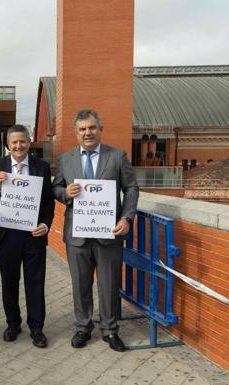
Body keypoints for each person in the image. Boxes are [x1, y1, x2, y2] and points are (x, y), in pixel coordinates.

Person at [52, 109, 139, 352]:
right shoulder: (66, 159)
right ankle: (83, 327)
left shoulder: (117, 156)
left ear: (100, 129)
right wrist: (64, 193)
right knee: (80, 284)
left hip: (109, 233)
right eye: (82, 129)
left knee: (109, 284)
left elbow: (131, 188)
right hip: (77, 236)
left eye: (91, 128)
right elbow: (56, 188)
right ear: (76, 133)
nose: (87, 132)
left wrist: (127, 218)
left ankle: (110, 330)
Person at [0, 124, 54, 348]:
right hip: (6, 235)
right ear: (7, 144)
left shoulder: (41, 167)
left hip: (33, 234)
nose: (18, 145)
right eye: (14, 142)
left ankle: (37, 328)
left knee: (35, 281)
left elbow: (48, 202)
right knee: (9, 282)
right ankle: (13, 323)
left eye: (22, 141)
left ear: (29, 142)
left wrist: (45, 224)